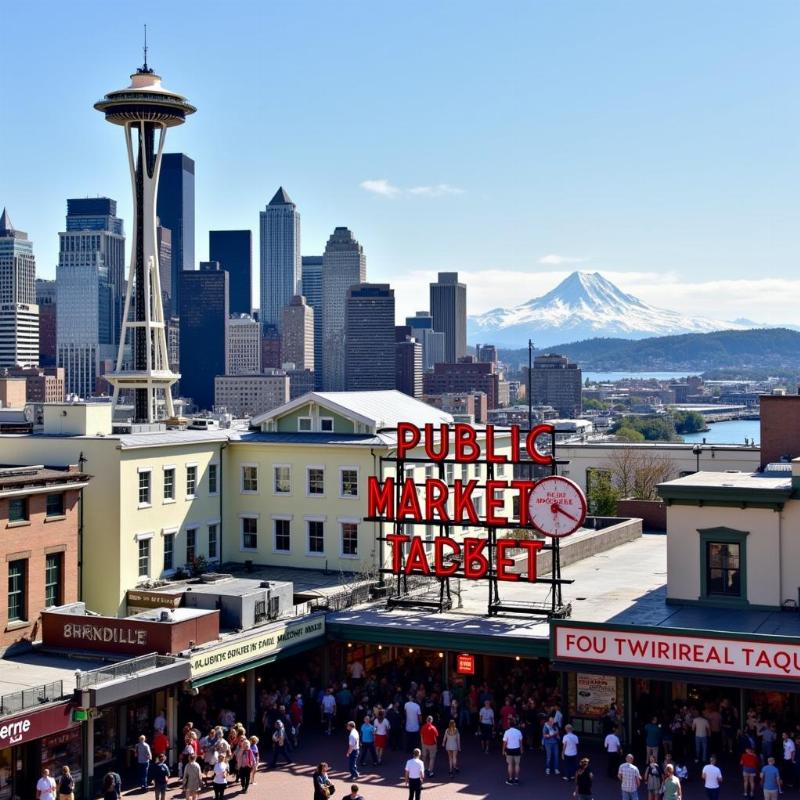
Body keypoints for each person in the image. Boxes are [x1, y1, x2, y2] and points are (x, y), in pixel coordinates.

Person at [502, 717, 524, 786]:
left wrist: (503, 750)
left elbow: (505, 742)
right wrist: (521, 749)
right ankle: (516, 779)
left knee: (510, 764)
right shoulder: (519, 732)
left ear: (509, 724)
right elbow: (520, 742)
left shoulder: (507, 732)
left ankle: (510, 779)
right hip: (517, 749)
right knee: (517, 764)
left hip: (509, 749)